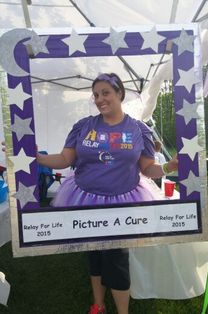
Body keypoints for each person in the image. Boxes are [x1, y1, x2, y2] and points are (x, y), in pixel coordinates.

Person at [4, 73, 178, 314]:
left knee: (116, 258)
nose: (99, 99)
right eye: (96, 95)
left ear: (120, 94)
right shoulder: (84, 126)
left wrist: (169, 167)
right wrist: (37, 157)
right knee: (94, 252)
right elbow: (65, 159)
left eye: (105, 92)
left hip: (123, 201)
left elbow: (147, 168)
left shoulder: (139, 130)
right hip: (85, 197)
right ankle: (98, 305)